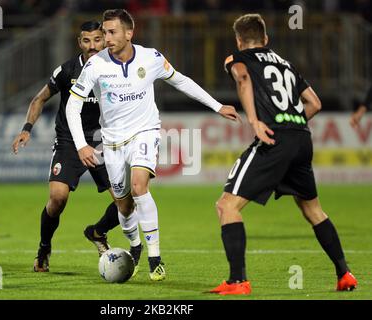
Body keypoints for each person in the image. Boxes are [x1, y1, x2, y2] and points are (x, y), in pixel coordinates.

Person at [66, 9, 241, 281]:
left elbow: (180, 80)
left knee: (139, 186)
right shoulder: (96, 65)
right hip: (112, 141)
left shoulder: (152, 58)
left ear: (128, 33)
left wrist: (217, 105)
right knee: (123, 206)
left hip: (145, 132)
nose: (106, 38)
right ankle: (135, 247)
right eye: (105, 32)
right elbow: (72, 106)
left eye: (112, 32)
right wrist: (81, 145)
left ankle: (155, 257)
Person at [209, 14, 358, 295]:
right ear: (266, 39)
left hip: (274, 139)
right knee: (313, 210)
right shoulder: (287, 65)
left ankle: (237, 281)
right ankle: (345, 274)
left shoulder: (237, 58)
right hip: (302, 138)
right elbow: (314, 103)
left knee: (226, 205)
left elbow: (242, 79)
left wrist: (255, 121)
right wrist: (292, 122)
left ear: (239, 40)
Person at [11, 21, 143, 273]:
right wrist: (26, 129)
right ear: (79, 42)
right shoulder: (67, 70)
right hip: (69, 142)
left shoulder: (115, 68)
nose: (92, 46)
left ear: (105, 40)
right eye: (86, 41)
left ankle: (97, 231)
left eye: (97, 39)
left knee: (126, 204)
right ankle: (44, 248)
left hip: (104, 142)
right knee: (57, 198)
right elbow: (39, 98)